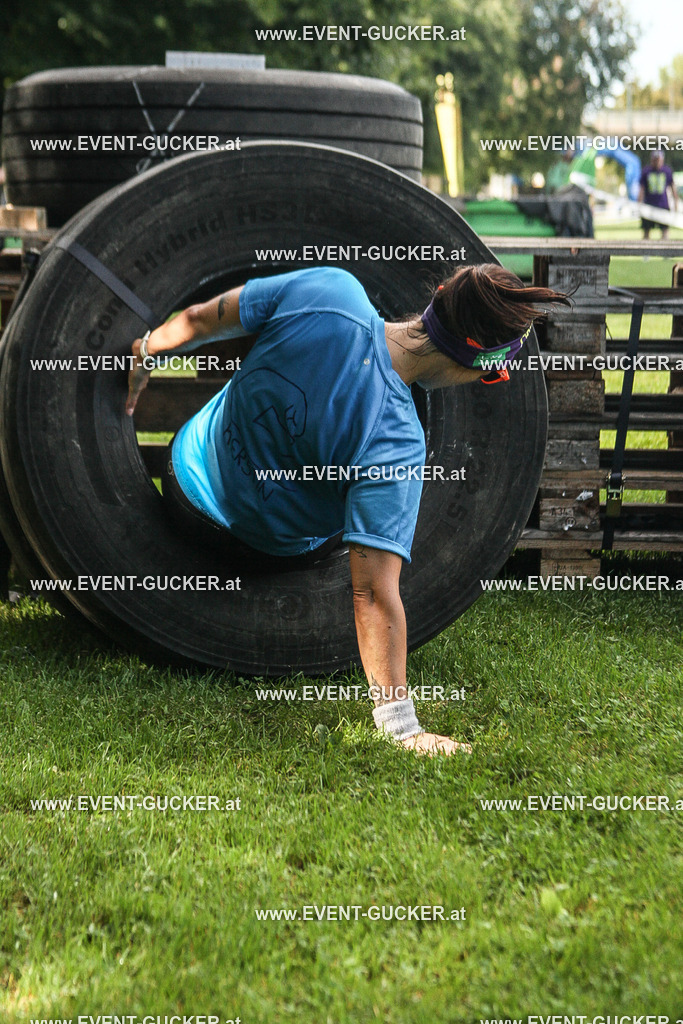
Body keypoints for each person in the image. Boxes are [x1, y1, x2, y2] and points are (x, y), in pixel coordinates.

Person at [126, 264, 569, 756]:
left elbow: (197, 319)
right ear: (476, 363)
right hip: (252, 546)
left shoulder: (330, 291)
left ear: (437, 299)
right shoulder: (396, 444)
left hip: (182, 473)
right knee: (373, 522)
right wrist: (402, 729)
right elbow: (371, 594)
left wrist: (145, 353)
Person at [638, 150, 678, 239]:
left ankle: (665, 248)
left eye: (658, 160)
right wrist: (639, 205)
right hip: (649, 206)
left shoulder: (667, 171)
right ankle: (645, 248)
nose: (657, 162)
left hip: (663, 206)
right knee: (646, 232)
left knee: (665, 232)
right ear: (651, 160)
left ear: (662, 160)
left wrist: (676, 204)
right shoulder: (646, 171)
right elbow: (641, 189)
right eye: (655, 160)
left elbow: (673, 188)